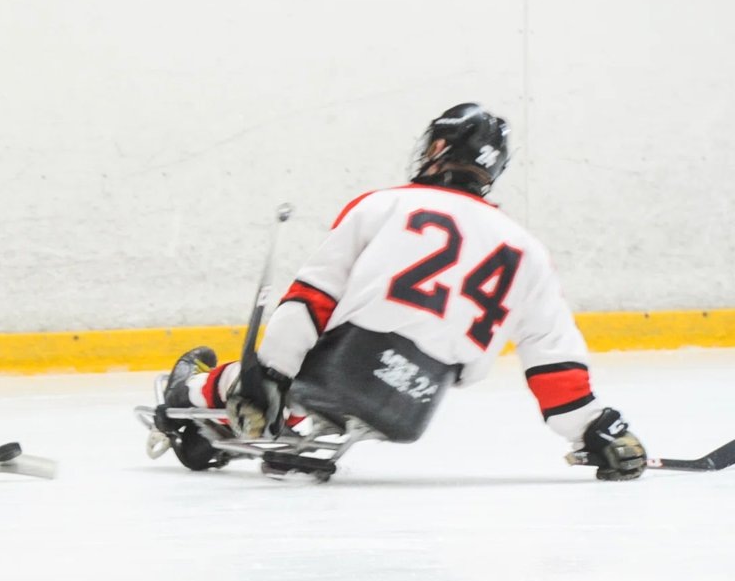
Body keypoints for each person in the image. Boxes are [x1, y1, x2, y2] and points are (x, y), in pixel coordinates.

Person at [160, 103, 647, 481]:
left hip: (339, 370)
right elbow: (552, 356)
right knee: (322, 369)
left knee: (272, 373)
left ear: (438, 149)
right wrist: (597, 429)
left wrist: (270, 373)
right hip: (413, 406)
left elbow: (312, 299)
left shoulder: (381, 205)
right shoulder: (529, 252)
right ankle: (260, 418)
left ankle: (192, 393)